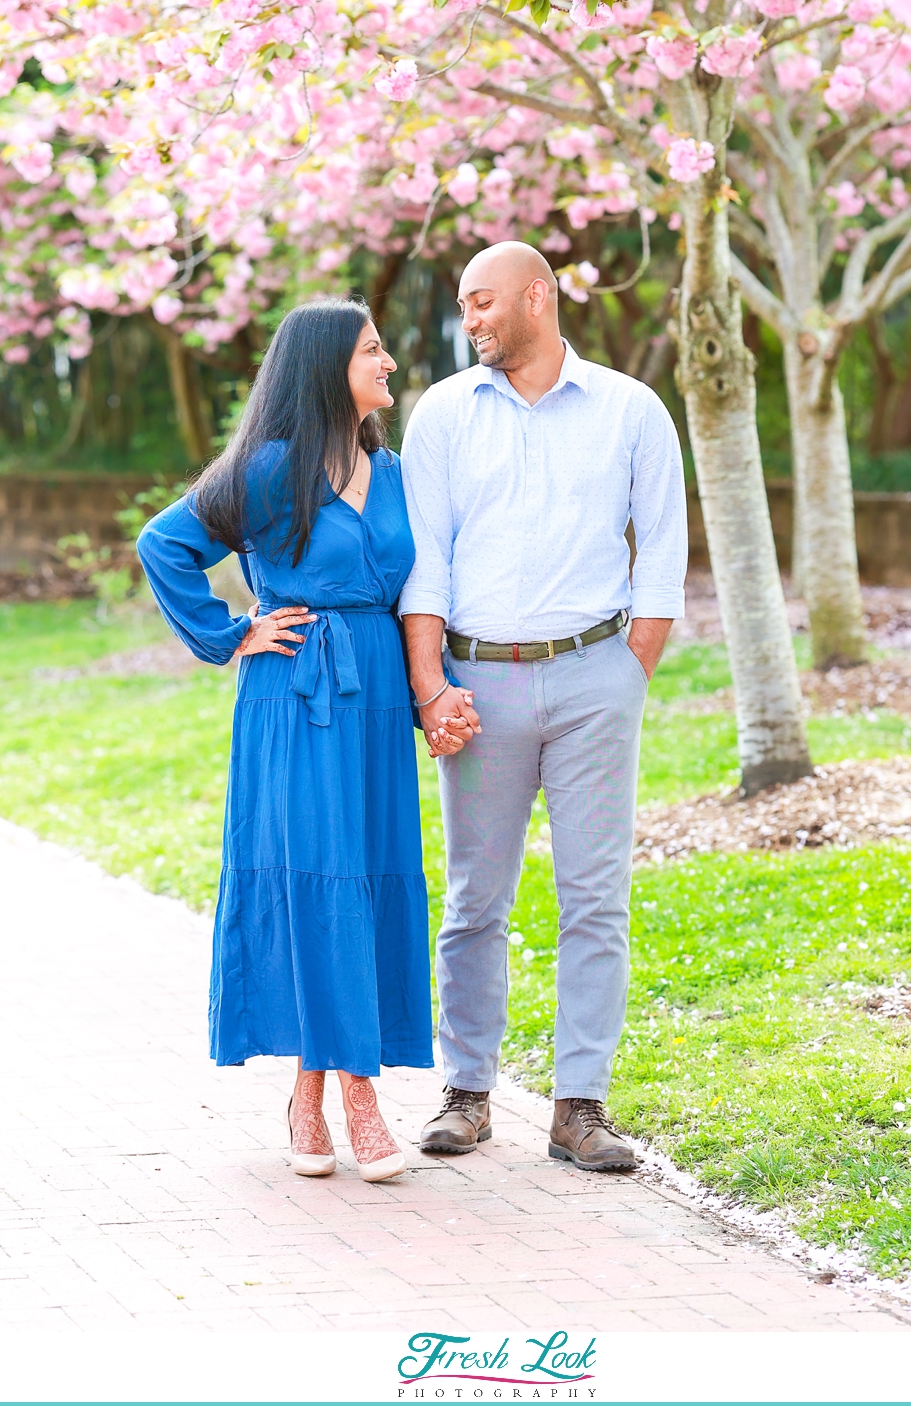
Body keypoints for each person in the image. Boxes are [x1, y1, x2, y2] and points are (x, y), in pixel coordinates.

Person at [137, 299, 469, 1183]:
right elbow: (163, 544)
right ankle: (358, 1094)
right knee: (312, 876)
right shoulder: (265, 470)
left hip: (372, 703)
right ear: (328, 366)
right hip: (292, 693)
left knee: (363, 878)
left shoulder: (395, 473)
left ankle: (311, 1092)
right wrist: (231, 631)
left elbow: (415, 597)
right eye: (372, 351)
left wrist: (432, 694)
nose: (391, 362)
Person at [399, 241, 688, 1172]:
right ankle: (466, 1093)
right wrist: (433, 682)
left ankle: (580, 1108)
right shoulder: (441, 415)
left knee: (596, 899)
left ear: (538, 296)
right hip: (478, 683)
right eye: (462, 306)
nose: (471, 320)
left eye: (484, 302)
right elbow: (425, 561)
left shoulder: (631, 410)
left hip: (594, 680)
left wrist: (626, 672)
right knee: (476, 898)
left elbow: (665, 554)